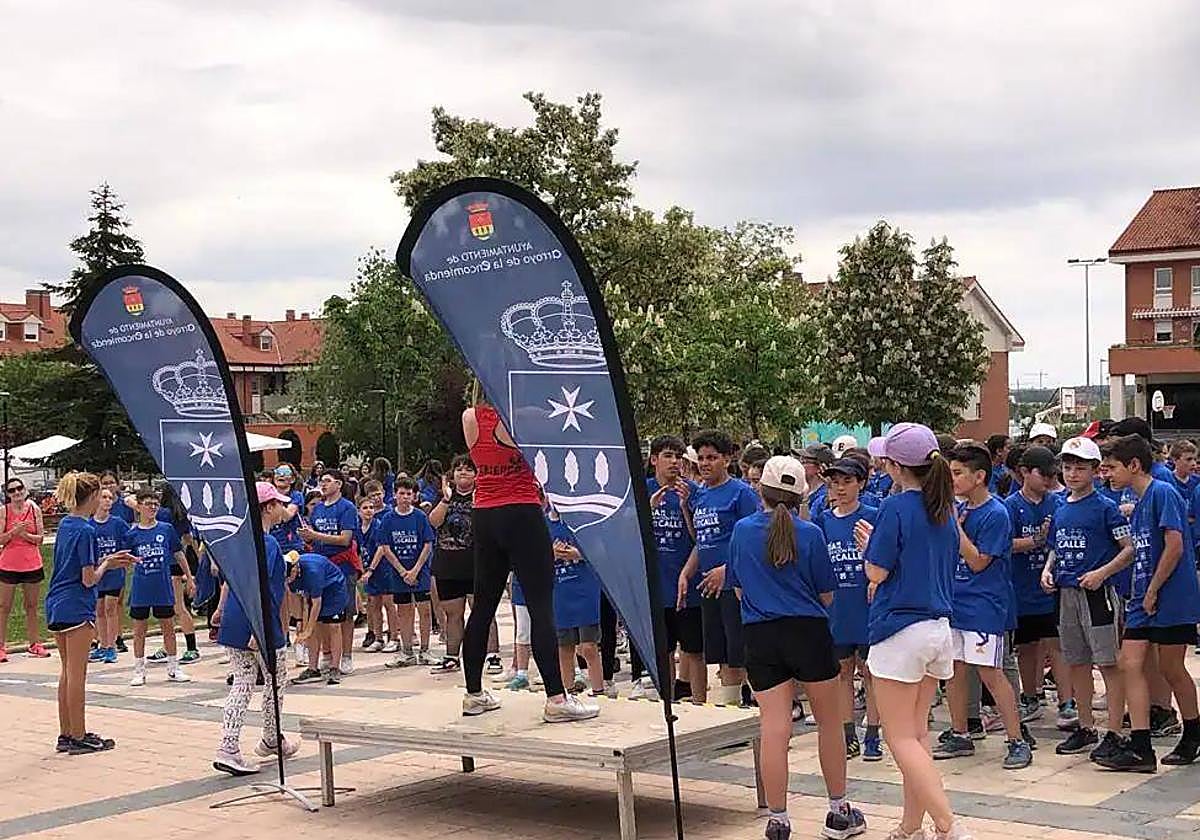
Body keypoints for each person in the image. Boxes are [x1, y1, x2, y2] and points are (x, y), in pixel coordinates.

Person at [730, 455, 866, 840]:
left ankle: (778, 819)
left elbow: (738, 588)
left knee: (774, 727)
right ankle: (839, 811)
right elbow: (826, 594)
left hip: (760, 633)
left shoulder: (742, 531)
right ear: (801, 494)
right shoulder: (811, 533)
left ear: (763, 491)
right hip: (808, 631)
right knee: (829, 723)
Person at [856, 423, 970, 840]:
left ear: (894, 465)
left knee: (899, 738)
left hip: (900, 629)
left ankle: (948, 825)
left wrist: (869, 546)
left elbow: (876, 570)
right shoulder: (943, 507)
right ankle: (910, 826)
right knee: (917, 735)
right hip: (938, 628)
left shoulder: (895, 508)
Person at [459, 392, 597, 722]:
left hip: (485, 513)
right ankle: (556, 699)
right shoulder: (528, 411)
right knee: (540, 604)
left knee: (483, 605)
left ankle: (473, 693)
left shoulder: (470, 416)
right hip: (521, 510)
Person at [1095, 434, 1200, 771]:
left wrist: (1153, 589)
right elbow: (1137, 551)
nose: (1106, 474)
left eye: (1111, 468)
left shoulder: (1162, 493)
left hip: (1170, 596)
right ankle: (1141, 746)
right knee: (1129, 662)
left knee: (1171, 667)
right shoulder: (1138, 503)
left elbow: (1175, 546)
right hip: (1143, 597)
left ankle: (1193, 732)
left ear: (1134, 465)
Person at [933, 443, 1032, 770]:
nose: (953, 479)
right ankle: (961, 731)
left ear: (979, 476)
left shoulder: (995, 513)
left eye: (958, 473)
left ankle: (1017, 738)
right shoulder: (960, 508)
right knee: (955, 671)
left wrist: (955, 526)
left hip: (984, 605)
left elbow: (977, 561)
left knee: (991, 672)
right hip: (954, 602)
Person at [1038, 436, 1132, 758]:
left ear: (1095, 470)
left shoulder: (1106, 508)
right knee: (1075, 661)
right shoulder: (1061, 506)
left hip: (1097, 594)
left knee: (1107, 661)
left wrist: (1102, 573)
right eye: (1067, 467)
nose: (1073, 473)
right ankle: (1086, 725)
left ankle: (1116, 731)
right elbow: (1055, 546)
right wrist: (1047, 569)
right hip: (1066, 591)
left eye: (1080, 467)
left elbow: (1129, 549)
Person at [46, 472, 137, 755]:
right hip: (76, 604)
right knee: (77, 675)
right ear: (93, 496)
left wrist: (106, 560)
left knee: (66, 673)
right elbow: (88, 578)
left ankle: (66, 732)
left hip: (57, 601)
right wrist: (107, 564)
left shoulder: (66, 524)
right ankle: (79, 734)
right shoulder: (86, 530)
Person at [213, 482, 299, 776]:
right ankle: (269, 737)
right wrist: (258, 628)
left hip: (236, 616)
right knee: (276, 680)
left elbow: (230, 580)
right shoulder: (270, 544)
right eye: (277, 504)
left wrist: (222, 609)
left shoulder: (238, 541)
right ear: (268, 508)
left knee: (243, 679)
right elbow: (264, 589)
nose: (282, 509)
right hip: (259, 620)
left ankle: (230, 744)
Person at [679, 429, 761, 705]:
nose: (705, 463)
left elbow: (755, 539)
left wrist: (728, 569)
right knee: (723, 655)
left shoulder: (741, 493)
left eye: (712, 457)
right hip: (707, 586)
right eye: (701, 458)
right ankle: (731, 710)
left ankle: (762, 708)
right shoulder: (700, 495)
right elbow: (700, 539)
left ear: (727, 459)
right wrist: (686, 573)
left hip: (733, 586)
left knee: (741, 655)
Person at [817, 457, 882, 762]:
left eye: (847, 482)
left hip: (868, 607)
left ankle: (873, 733)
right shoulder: (824, 520)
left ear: (861, 483)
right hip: (838, 610)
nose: (840, 488)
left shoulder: (874, 515)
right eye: (835, 482)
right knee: (843, 671)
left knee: (870, 672)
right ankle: (847, 734)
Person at [631, 436, 705, 702]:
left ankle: (700, 706)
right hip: (655, 587)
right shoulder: (642, 490)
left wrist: (685, 507)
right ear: (654, 460)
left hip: (687, 586)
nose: (674, 462)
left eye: (678, 457)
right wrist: (647, 509)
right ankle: (669, 703)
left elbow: (700, 539)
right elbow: (629, 535)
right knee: (663, 650)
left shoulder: (692, 491)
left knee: (694, 651)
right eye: (668, 456)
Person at [1004, 445, 1071, 727]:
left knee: (1057, 645)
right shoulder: (1010, 506)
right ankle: (1030, 696)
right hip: (1022, 589)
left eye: (1052, 475)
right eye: (1042, 474)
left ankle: (1067, 701)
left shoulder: (1057, 504)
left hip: (1052, 590)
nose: (1048, 480)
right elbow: (1003, 544)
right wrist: (1035, 542)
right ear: (1024, 473)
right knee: (1027, 647)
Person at [127, 489, 192, 686]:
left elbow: (178, 553)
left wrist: (189, 577)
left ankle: (173, 667)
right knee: (139, 629)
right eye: (148, 503)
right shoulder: (132, 534)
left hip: (163, 586)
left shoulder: (165, 529)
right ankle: (139, 670)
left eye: (155, 504)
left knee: (168, 627)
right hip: (141, 587)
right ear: (139, 507)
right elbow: (124, 558)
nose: (152, 507)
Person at [298, 469, 360, 675]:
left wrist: (316, 534)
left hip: (342, 564)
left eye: (327, 481)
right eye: (320, 481)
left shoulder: (347, 508)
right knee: (322, 612)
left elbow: (345, 539)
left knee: (345, 612)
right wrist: (307, 536)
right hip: (321, 564)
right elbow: (314, 537)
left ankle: (347, 655)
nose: (323, 484)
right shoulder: (317, 509)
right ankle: (326, 653)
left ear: (339, 484)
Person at [376, 477, 436, 666]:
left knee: (424, 610)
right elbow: (385, 547)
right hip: (398, 572)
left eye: (409, 494)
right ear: (395, 495)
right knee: (404, 610)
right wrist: (403, 572)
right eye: (401, 493)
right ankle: (407, 650)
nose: (405, 497)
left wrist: (416, 570)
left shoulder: (419, 517)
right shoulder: (387, 518)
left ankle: (425, 650)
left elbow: (427, 544)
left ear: (414, 496)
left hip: (420, 571)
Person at [428, 455, 480, 675]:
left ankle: (491, 654)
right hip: (448, 563)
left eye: (468, 469)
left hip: (476, 562)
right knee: (452, 613)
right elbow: (434, 521)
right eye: (458, 469)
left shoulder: (483, 497)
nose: (463, 473)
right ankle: (451, 656)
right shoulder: (445, 497)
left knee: (480, 611)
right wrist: (446, 499)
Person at [548, 502, 605, 696]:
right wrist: (551, 554)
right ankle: (568, 691)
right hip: (559, 591)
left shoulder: (583, 519)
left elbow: (601, 549)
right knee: (564, 646)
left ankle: (599, 690)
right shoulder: (543, 522)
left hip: (585, 589)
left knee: (589, 646)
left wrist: (578, 554)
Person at [0, 476, 48, 660]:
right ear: (8, 494)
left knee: (31, 606)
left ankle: (35, 643)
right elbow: (1, 539)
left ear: (24, 489)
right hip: (9, 563)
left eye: (19, 488)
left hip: (31, 563)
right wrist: (14, 532)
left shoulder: (34, 509)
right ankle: (1, 646)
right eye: (12, 490)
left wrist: (25, 534)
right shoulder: (4, 511)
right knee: (4, 606)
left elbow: (40, 539)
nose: (17, 493)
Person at [288, 552, 348, 685]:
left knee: (334, 626)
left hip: (333, 588)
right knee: (313, 628)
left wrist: (307, 630)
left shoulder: (312, 572)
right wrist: (299, 621)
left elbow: (316, 604)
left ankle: (334, 667)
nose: (288, 581)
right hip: (314, 593)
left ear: (296, 569)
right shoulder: (288, 576)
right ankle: (312, 668)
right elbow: (299, 599)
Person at [89, 488, 130, 664]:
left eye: (110, 498)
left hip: (114, 572)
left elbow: (128, 542)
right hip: (98, 572)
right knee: (98, 609)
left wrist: (122, 559)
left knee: (110, 607)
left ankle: (112, 646)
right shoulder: (89, 525)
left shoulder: (118, 523)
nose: (107, 501)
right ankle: (103, 644)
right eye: (103, 497)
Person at [358, 489, 396, 653]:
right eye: (365, 508)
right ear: (358, 511)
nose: (369, 511)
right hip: (368, 569)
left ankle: (394, 637)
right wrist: (361, 569)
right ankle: (378, 637)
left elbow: (381, 549)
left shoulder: (378, 526)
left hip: (383, 568)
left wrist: (371, 569)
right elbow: (358, 550)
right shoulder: (357, 529)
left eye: (371, 508)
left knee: (389, 604)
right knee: (374, 605)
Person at [799, 444, 834, 520]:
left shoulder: (824, 494)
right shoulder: (801, 488)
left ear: (821, 467)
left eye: (805, 462)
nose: (800, 465)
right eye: (801, 461)